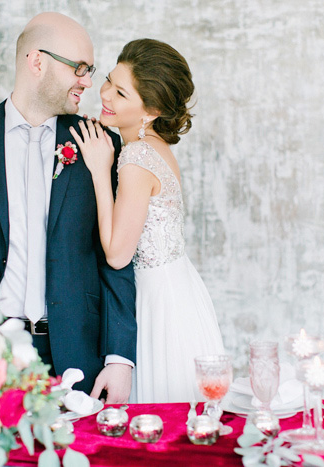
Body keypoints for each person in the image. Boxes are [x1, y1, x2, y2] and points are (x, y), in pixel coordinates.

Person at [0, 12, 136, 403]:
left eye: (91, 70)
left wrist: (120, 358)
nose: (88, 82)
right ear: (37, 61)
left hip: (76, 355)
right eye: (80, 68)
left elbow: (116, 258)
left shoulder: (98, 144)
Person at [70, 38, 225, 403]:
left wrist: (98, 168)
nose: (105, 94)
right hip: (181, 289)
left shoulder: (137, 156)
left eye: (121, 94)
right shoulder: (157, 148)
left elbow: (117, 254)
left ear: (150, 111)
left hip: (161, 303)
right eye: (109, 80)